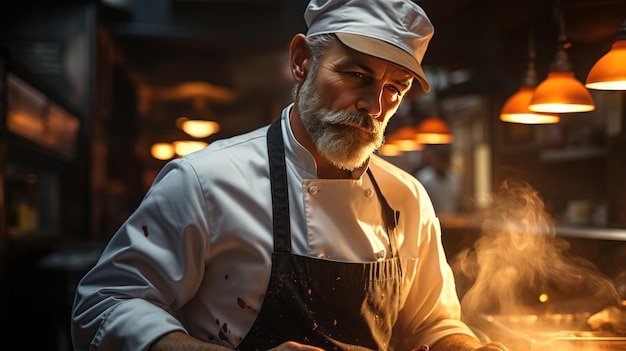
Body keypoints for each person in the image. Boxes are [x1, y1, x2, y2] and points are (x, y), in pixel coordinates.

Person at [71, 1, 509, 350]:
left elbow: (430, 323)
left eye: (395, 89)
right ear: (302, 61)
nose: (375, 107)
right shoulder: (205, 181)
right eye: (357, 75)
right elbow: (105, 305)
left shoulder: (407, 198)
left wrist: (467, 347)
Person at [414, 144, 462, 215]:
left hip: (452, 220)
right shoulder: (424, 179)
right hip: (431, 220)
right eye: (440, 161)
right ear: (435, 161)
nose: (442, 164)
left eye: (445, 161)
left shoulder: (455, 178)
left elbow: (458, 201)